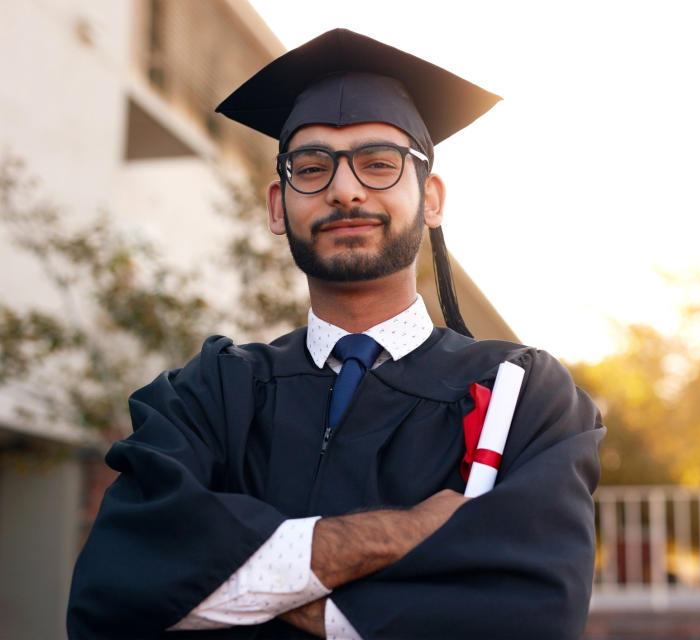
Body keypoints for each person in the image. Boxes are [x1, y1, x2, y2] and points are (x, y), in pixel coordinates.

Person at [67, 29, 604, 640]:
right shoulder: (209, 394)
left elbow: (531, 612)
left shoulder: (523, 395)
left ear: (431, 198)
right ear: (277, 206)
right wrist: (406, 534)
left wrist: (255, 592)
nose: (345, 190)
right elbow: (115, 586)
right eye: (312, 167)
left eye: (379, 164)